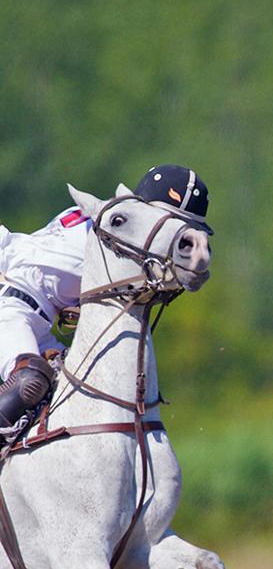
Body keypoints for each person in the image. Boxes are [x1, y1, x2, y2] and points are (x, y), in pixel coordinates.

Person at [0, 165, 212, 440]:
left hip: (39, 325)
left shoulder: (117, 228)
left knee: (78, 396)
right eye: (170, 219)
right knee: (30, 382)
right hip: (10, 305)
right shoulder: (115, 233)